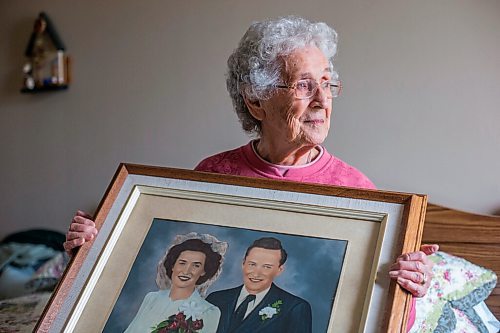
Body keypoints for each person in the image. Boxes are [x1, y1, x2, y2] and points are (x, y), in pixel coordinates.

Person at [64, 16, 438, 330]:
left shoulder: (358, 193)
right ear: (256, 101)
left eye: (327, 83)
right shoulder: (213, 174)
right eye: (304, 85)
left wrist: (407, 287)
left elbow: (373, 320)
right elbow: (173, 279)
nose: (323, 100)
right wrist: (99, 251)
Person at [124, 232, 227, 333]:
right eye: (182, 263)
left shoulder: (209, 311)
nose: (186, 271)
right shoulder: (151, 298)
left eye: (196, 265)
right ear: (173, 265)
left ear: (203, 271)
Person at [206, 237, 311, 333]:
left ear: (279, 270)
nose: (256, 273)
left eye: (267, 267)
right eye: (252, 264)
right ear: (243, 263)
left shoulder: (295, 308)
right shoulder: (216, 299)